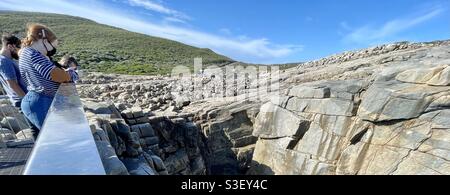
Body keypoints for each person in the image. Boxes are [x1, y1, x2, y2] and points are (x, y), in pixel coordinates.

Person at [19, 23, 79, 131]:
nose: (52, 51)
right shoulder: (34, 55)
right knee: (55, 136)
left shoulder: (26, 52)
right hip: (41, 100)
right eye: (53, 47)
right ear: (44, 41)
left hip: (37, 99)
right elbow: (58, 76)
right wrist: (71, 73)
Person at [0, 34, 27, 108]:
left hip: (22, 100)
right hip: (22, 101)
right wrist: (28, 101)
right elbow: (12, 84)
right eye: (18, 47)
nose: (20, 50)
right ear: (10, 46)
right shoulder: (4, 61)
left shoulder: (7, 60)